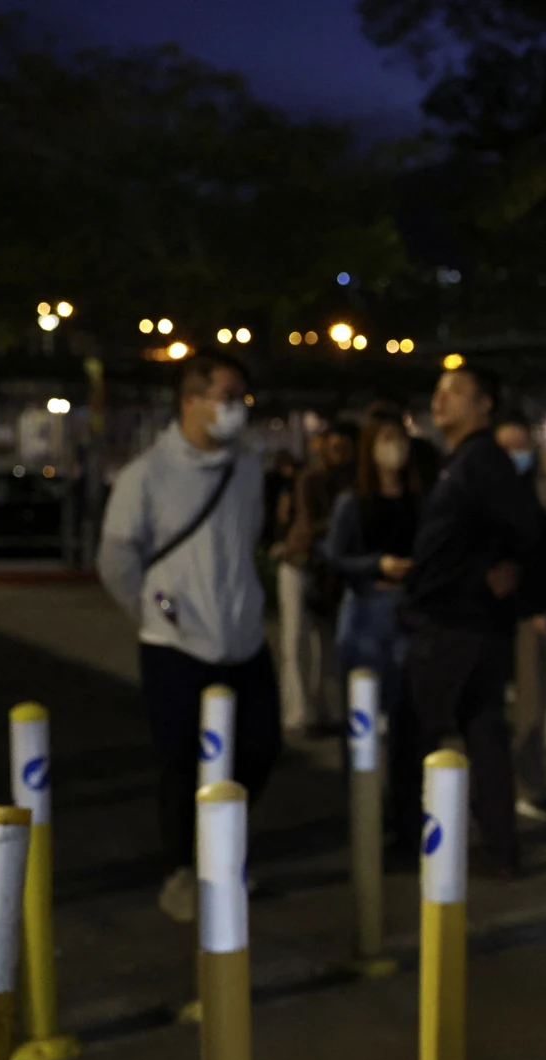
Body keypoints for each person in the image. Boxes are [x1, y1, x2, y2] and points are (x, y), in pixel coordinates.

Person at [97, 347, 281, 923]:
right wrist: (154, 610)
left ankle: (221, 851)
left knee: (260, 747)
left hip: (243, 638)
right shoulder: (147, 474)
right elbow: (116, 558)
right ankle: (182, 870)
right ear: (191, 401)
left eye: (242, 398)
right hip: (175, 647)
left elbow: (248, 538)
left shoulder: (246, 468)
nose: (237, 409)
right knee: (181, 760)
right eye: (226, 397)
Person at [398, 366, 544, 874]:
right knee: (483, 732)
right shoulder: (461, 460)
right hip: (469, 620)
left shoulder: (480, 460)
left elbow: (527, 528)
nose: (441, 400)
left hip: (455, 623)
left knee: (418, 731)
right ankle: (499, 847)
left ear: (485, 404)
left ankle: (415, 841)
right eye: (438, 391)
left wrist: (500, 571)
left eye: (456, 392)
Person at [324, 414, 426, 770]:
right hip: (365, 610)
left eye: (400, 438)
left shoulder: (418, 500)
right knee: (363, 708)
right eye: (385, 438)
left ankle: (401, 788)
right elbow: (335, 556)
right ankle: (360, 789)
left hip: (408, 610)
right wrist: (377, 564)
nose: (395, 446)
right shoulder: (353, 501)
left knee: (405, 710)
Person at [495, 418, 546, 822]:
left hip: (537, 610)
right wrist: (535, 608)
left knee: (535, 704)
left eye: (523, 446)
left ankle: (527, 785)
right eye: (508, 448)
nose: (518, 455)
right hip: (512, 613)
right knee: (522, 709)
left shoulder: (544, 486)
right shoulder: (491, 492)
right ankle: (524, 788)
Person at [278, 421, 357, 740]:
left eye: (345, 448)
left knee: (325, 641)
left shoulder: (352, 481)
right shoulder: (311, 478)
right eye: (335, 447)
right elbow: (308, 521)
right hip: (301, 561)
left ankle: (322, 708)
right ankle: (300, 711)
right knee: (297, 637)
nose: (339, 454)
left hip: (327, 567)